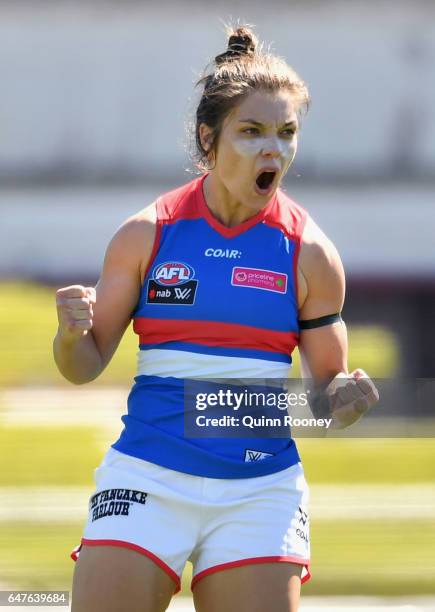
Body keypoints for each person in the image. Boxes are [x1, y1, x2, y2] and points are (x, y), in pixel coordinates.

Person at [53, 26, 379, 612]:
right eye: (251, 132)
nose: (271, 150)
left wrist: (345, 398)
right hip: (147, 475)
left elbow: (326, 398)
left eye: (286, 133)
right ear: (210, 138)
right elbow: (83, 365)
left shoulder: (310, 254)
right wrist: (71, 332)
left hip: (260, 490)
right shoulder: (147, 235)